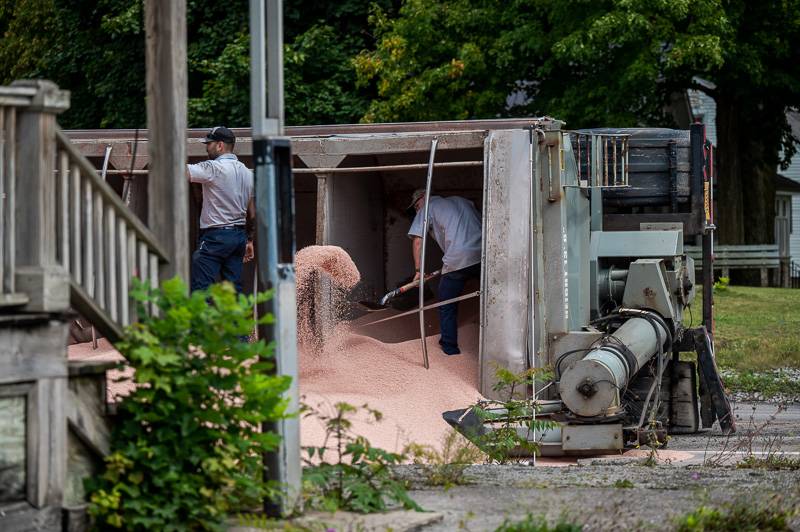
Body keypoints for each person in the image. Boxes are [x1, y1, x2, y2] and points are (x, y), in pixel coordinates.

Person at [407, 189, 481, 355]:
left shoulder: (427, 207)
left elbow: (418, 241)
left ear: (424, 197)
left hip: (456, 259)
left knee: (446, 304)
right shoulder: (462, 200)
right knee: (492, 297)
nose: (417, 210)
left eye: (416, 205)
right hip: (483, 255)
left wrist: (419, 270)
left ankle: (450, 348)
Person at [187, 126, 255, 293]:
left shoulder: (213, 168)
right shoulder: (248, 173)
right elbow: (252, 212)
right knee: (233, 291)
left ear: (219, 145)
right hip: (238, 238)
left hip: (215, 237)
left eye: (208, 144)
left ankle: (204, 320)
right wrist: (249, 240)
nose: (206, 147)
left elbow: (178, 172)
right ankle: (235, 320)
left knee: (201, 288)